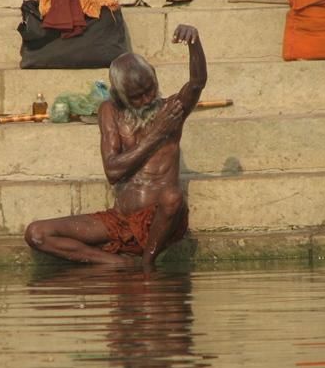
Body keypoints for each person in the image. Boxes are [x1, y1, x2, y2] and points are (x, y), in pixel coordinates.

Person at [25, 24, 207, 265]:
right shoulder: (110, 111)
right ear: (119, 95)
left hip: (161, 222)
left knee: (173, 197)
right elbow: (113, 171)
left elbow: (197, 82)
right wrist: (158, 133)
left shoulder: (170, 110)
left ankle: (146, 263)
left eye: (150, 90)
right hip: (119, 219)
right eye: (136, 97)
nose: (146, 100)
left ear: (154, 75)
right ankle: (117, 264)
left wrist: (194, 43)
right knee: (36, 233)